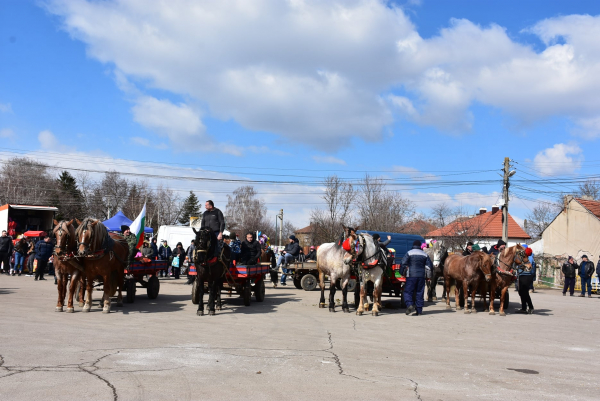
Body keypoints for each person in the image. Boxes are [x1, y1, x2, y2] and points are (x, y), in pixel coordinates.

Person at [401, 239, 433, 316]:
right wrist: (428, 276)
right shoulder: (425, 254)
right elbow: (429, 266)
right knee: (420, 292)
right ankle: (419, 311)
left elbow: (403, 263)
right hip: (421, 276)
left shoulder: (409, 253)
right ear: (420, 246)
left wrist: (402, 273)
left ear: (413, 245)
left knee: (408, 291)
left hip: (411, 275)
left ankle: (409, 304)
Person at [515, 247, 535, 314]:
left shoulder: (529, 258)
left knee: (525, 292)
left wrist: (533, 277)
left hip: (526, 276)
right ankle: (524, 308)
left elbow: (530, 268)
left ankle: (531, 307)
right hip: (521, 275)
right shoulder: (521, 256)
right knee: (521, 292)